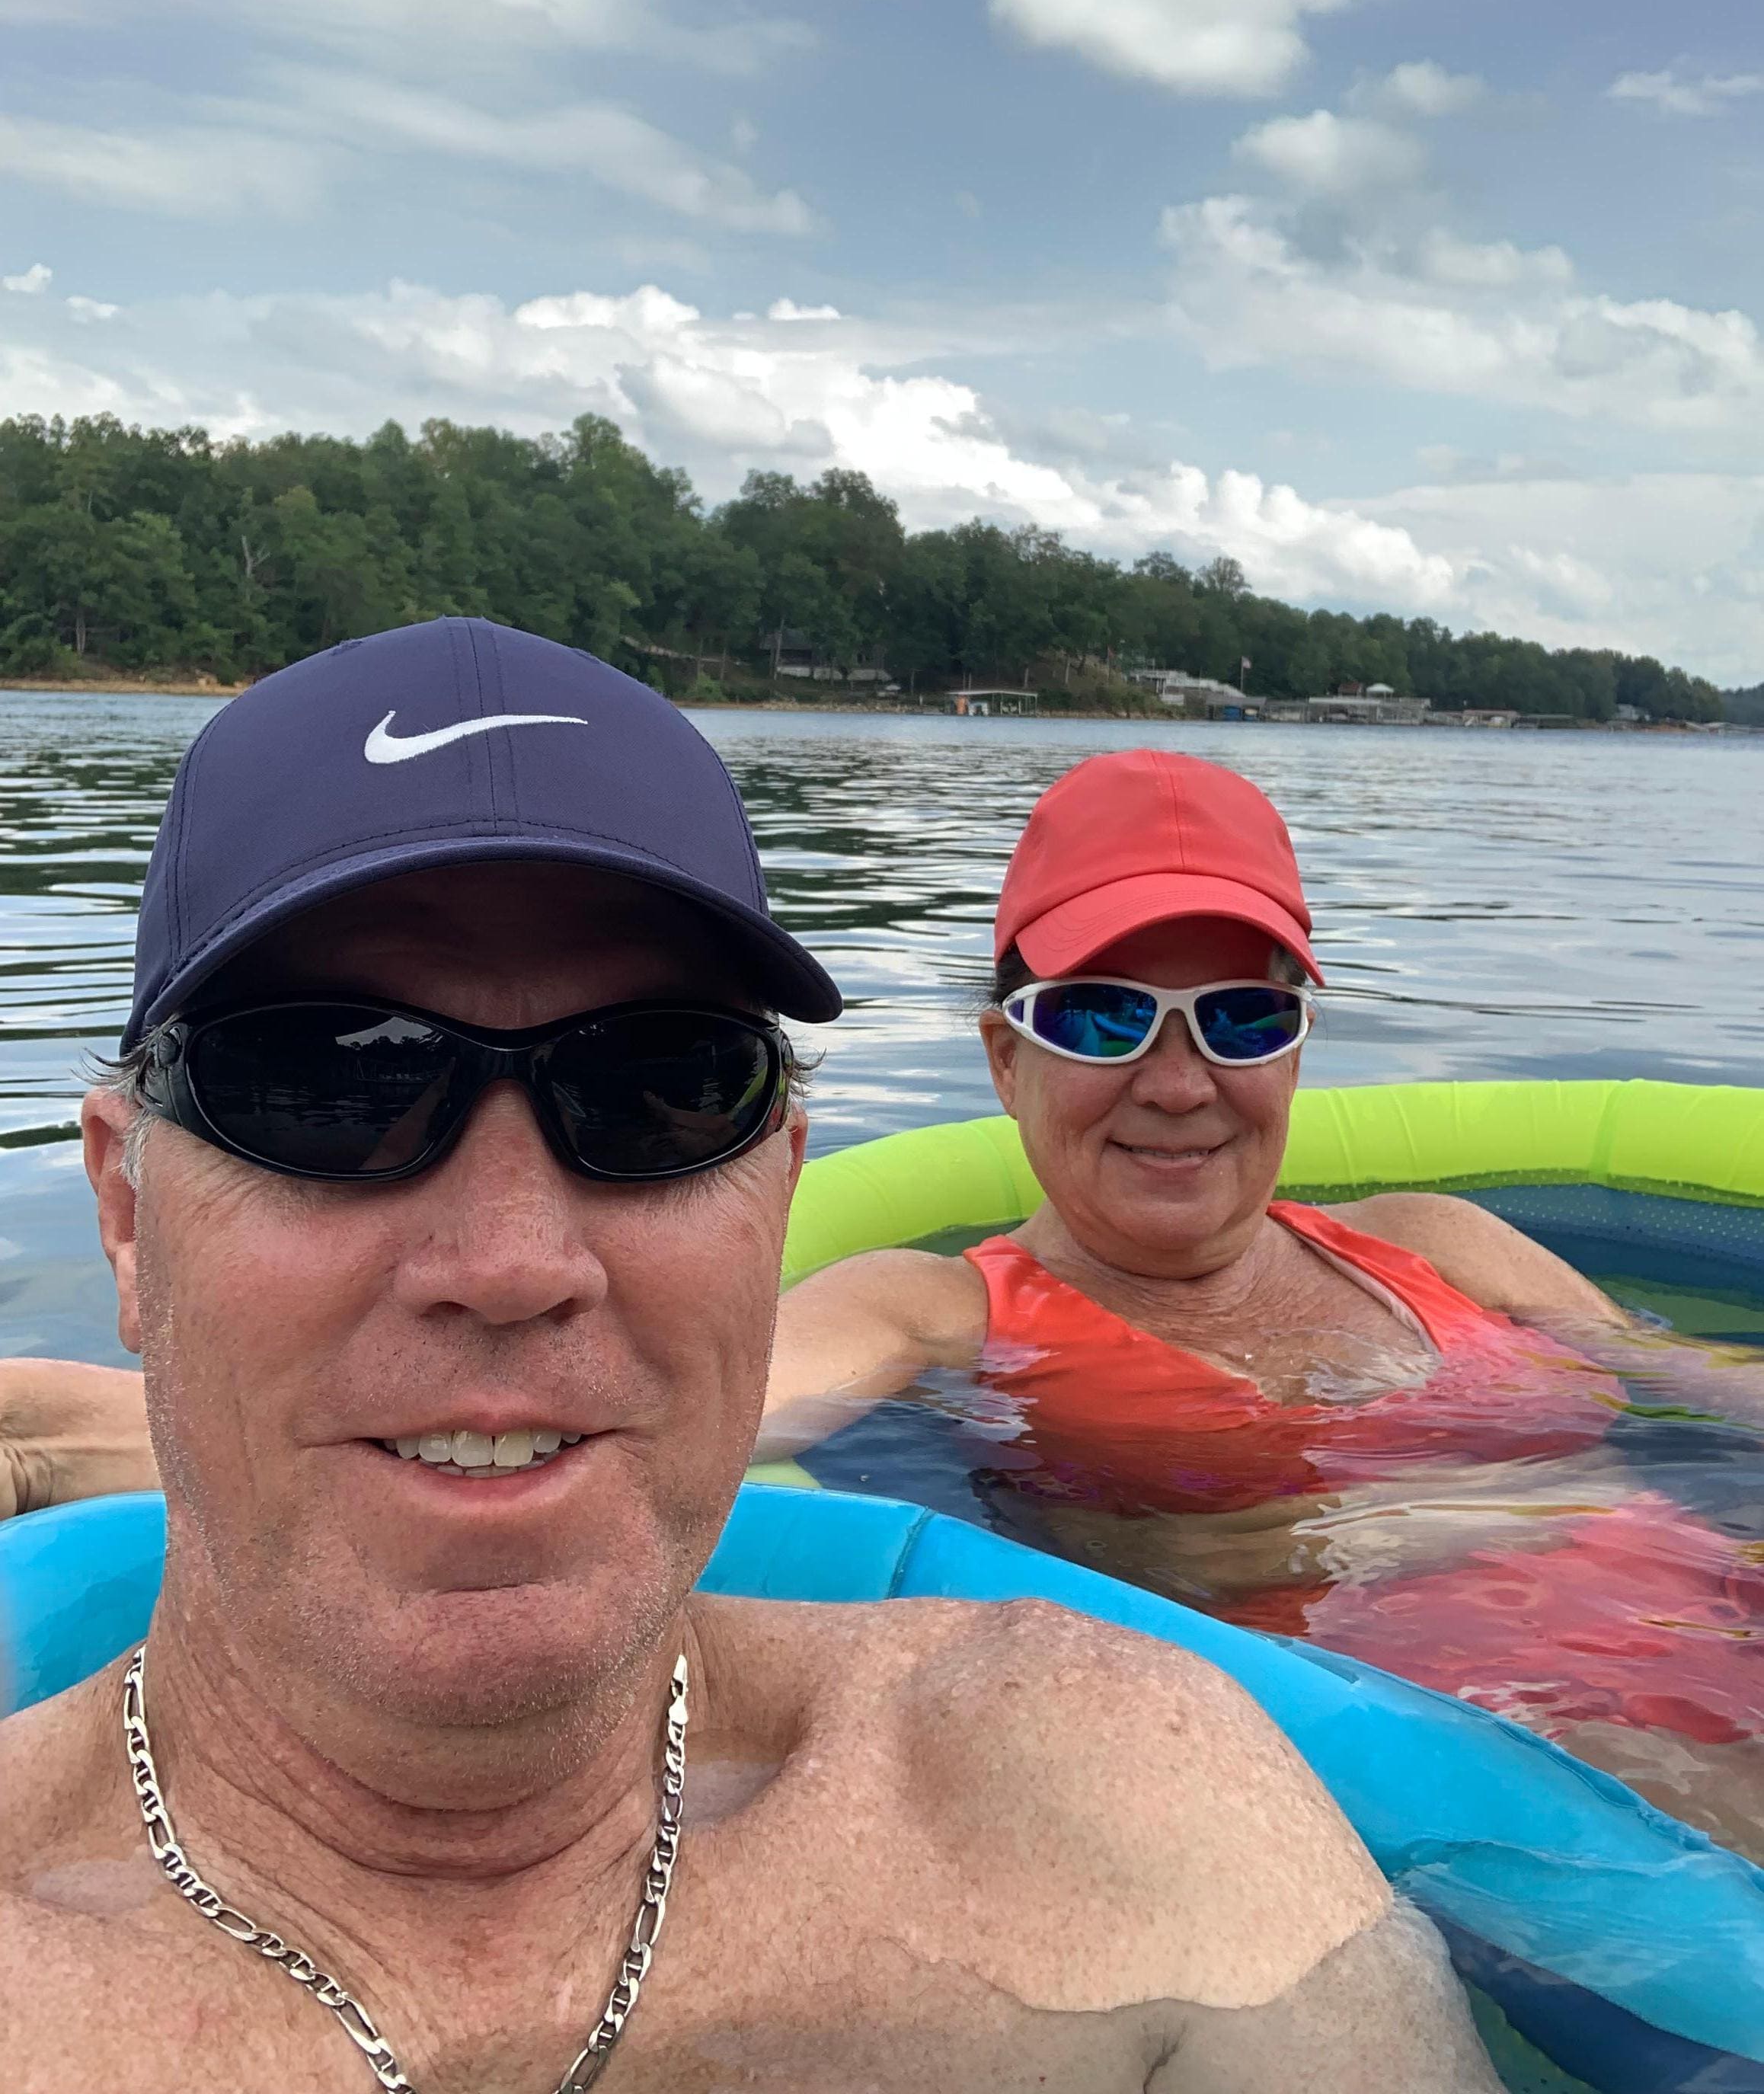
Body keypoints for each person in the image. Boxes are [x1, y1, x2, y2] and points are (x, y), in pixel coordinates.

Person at [0, 619, 1497, 2093]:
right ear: (127, 1216)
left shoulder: (1105, 1799)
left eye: (659, 1087)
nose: (515, 1261)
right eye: (327, 1082)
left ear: (778, 1184)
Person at [756, 750, 1764, 1857]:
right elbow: (680, 1429)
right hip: (1523, 1762)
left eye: (1240, 1019)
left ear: (1293, 1054)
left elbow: (1696, 1384)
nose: (1180, 1083)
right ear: (1006, 1059)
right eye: (1101, 1020)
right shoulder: (934, 1310)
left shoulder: (1434, 1242)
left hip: (1716, 1606)